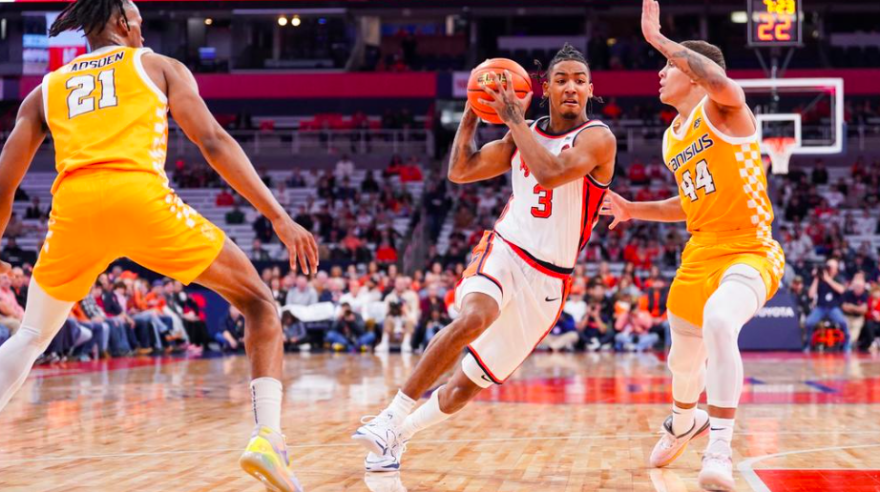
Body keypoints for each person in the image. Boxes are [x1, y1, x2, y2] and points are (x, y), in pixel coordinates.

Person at [0, 2, 318, 490]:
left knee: (31, 335)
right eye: (139, 19)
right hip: (139, 199)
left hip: (74, 210)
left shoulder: (44, 91)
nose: (142, 27)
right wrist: (279, 216)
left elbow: (4, 184)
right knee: (258, 304)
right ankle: (268, 439)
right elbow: (212, 141)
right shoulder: (158, 66)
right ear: (123, 24)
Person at [352, 43, 616, 472]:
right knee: (474, 317)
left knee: (464, 387)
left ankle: (397, 436)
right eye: (562, 79)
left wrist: (514, 120)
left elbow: (550, 173)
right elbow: (461, 170)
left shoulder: (597, 138)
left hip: (550, 280)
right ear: (545, 87)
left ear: (590, 90)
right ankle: (392, 414)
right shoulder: (520, 133)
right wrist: (473, 111)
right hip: (507, 248)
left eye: (580, 80)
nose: (572, 87)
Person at [600, 3, 785, 488]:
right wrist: (633, 208)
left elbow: (718, 78)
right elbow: (689, 201)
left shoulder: (723, 106)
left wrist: (659, 38)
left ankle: (719, 450)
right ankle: (685, 422)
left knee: (721, 322)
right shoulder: (671, 138)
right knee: (682, 361)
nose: (661, 74)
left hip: (749, 247)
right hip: (699, 252)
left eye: (668, 67)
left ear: (695, 76)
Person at [804, 258, 849, 352]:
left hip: (833, 308)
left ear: (836, 269)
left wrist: (828, 279)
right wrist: (817, 277)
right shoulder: (819, 279)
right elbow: (811, 294)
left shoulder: (839, 278)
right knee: (809, 322)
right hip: (821, 308)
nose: (829, 269)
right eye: (828, 266)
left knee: (843, 322)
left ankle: (847, 345)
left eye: (831, 267)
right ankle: (808, 344)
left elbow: (841, 290)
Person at [842, 273, 869, 351]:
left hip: (858, 317)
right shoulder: (847, 294)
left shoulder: (864, 295)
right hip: (847, 316)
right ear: (853, 287)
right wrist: (857, 308)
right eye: (857, 287)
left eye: (861, 287)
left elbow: (863, 310)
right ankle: (845, 344)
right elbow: (844, 307)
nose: (859, 289)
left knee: (855, 329)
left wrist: (851, 307)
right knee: (845, 327)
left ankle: (849, 344)